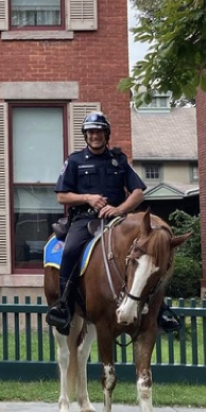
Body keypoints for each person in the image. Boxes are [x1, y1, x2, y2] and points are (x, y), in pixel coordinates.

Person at [44, 110, 181, 333]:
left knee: (147, 254)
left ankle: (160, 309)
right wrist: (87, 197)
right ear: (86, 135)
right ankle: (64, 307)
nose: (94, 136)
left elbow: (138, 192)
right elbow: (62, 196)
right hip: (85, 219)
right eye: (90, 132)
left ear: (106, 134)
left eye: (98, 131)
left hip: (118, 220)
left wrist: (120, 209)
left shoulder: (119, 160)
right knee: (70, 252)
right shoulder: (75, 161)